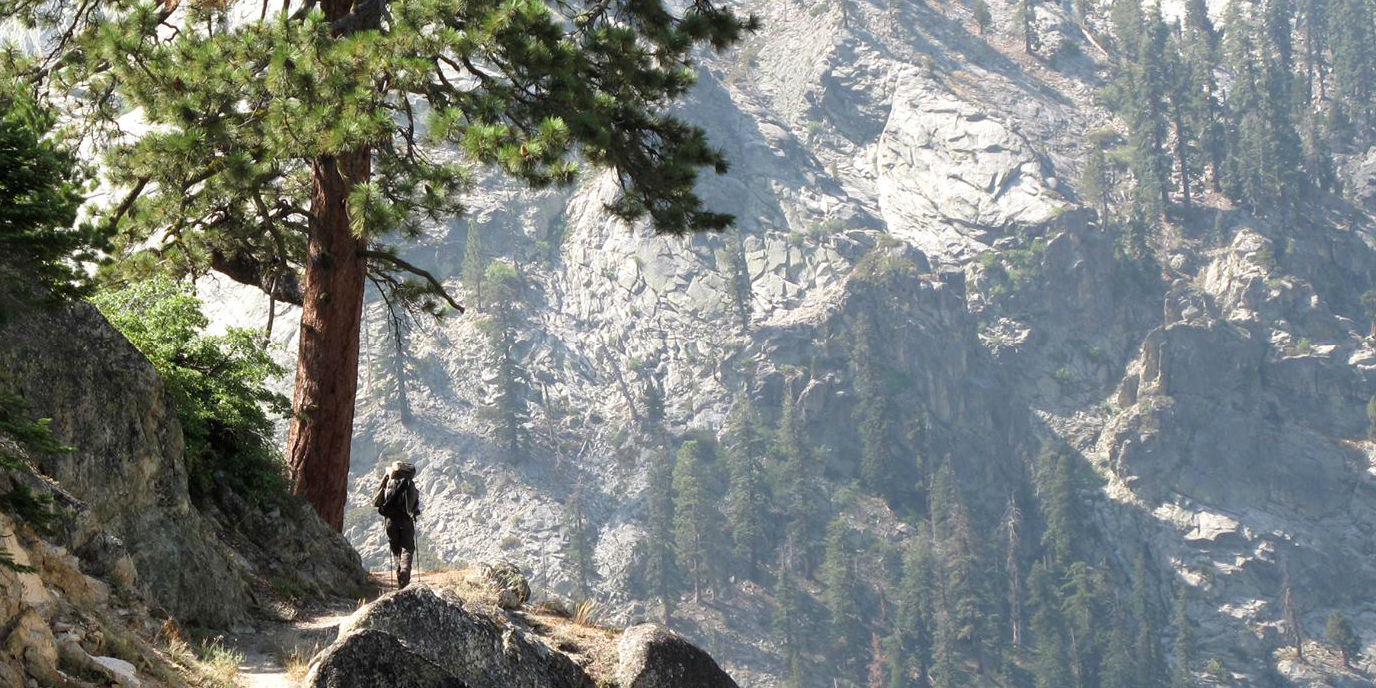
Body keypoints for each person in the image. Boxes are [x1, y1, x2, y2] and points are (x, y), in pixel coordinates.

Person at [373, 460, 421, 588]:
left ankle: (400, 575)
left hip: (390, 521)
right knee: (408, 548)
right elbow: (414, 505)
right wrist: (415, 512)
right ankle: (405, 572)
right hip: (405, 520)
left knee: (395, 549)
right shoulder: (410, 485)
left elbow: (377, 502)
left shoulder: (387, 483)